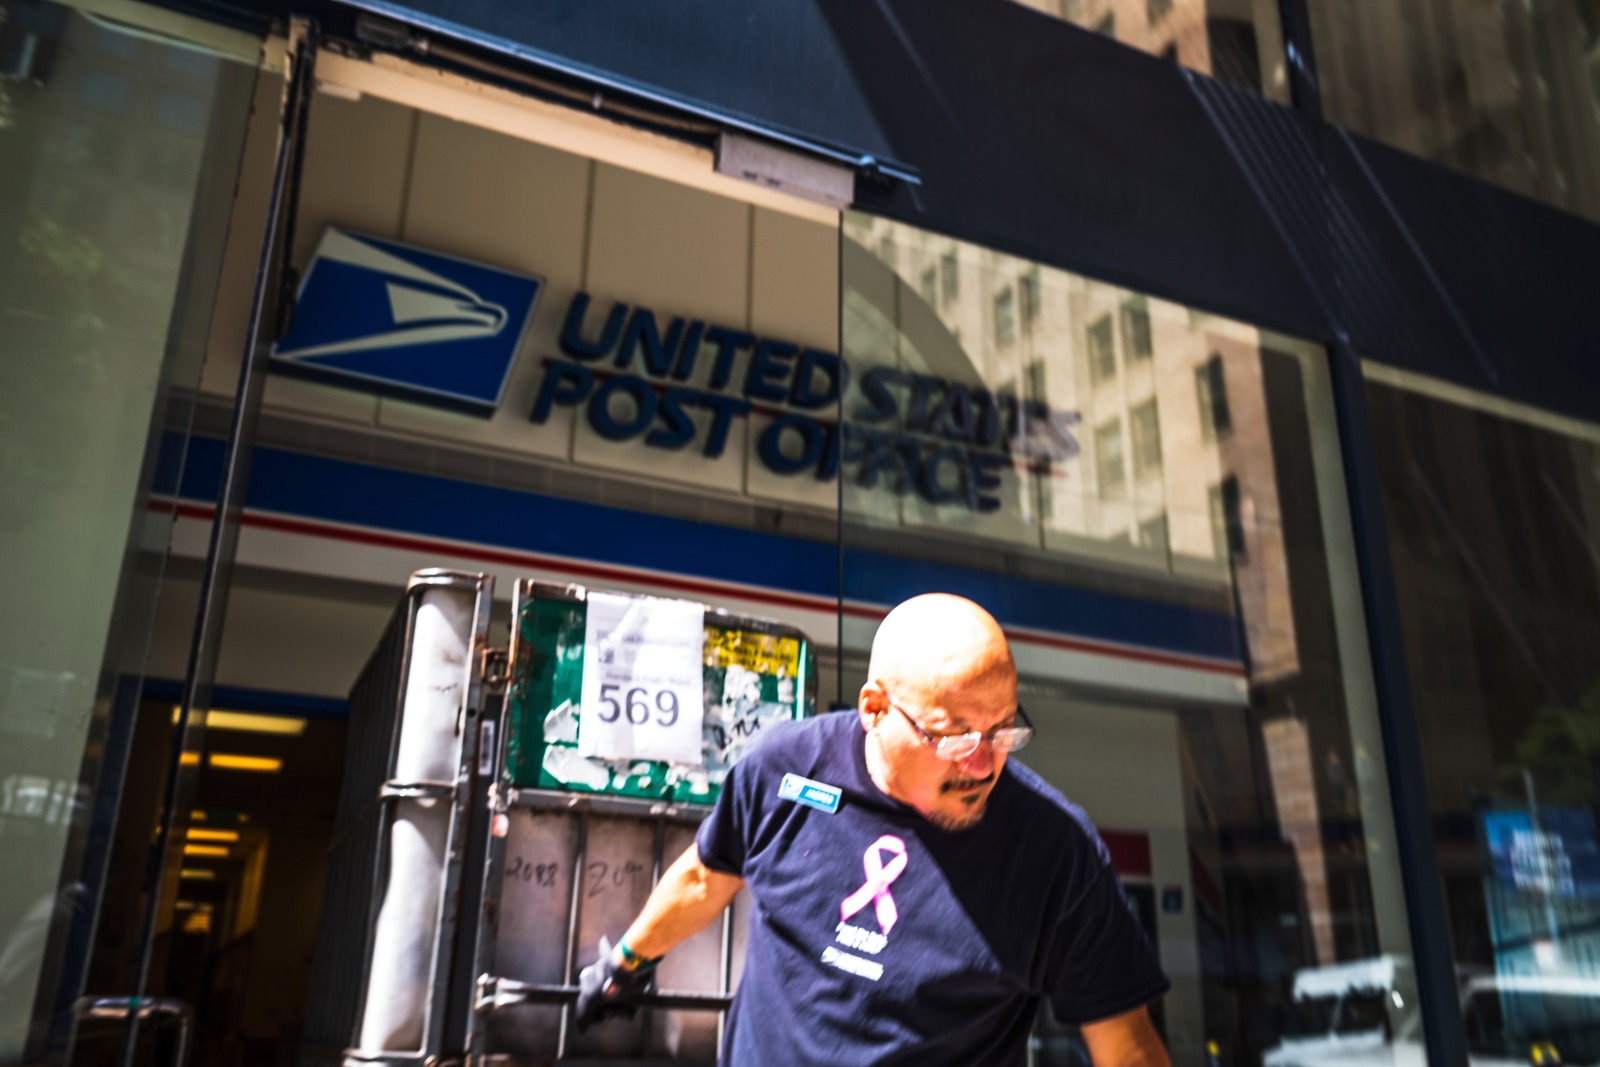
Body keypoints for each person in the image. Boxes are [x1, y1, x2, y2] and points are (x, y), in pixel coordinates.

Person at [575, 593, 1172, 1065]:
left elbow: (1126, 1046)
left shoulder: (1055, 853)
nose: (983, 763)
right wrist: (625, 964)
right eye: (955, 736)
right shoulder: (784, 769)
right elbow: (706, 877)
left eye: (1002, 730)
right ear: (875, 709)